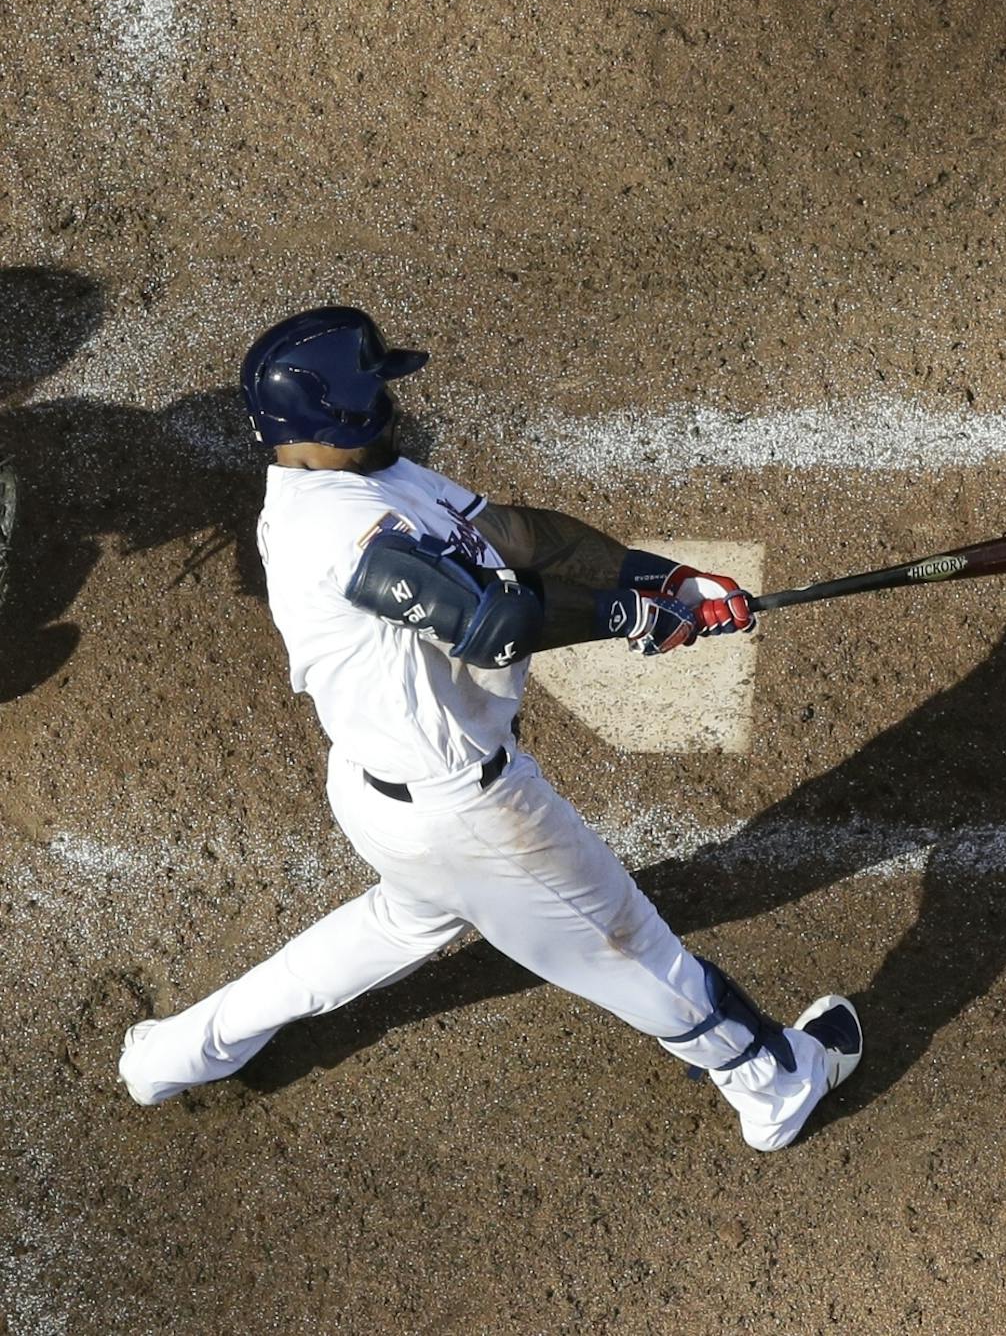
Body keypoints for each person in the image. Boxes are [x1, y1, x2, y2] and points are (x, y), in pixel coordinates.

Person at [116, 306, 861, 1151]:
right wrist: (627, 616)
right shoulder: (336, 527)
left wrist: (659, 578)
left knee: (396, 924)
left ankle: (179, 1051)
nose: (396, 407)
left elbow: (513, 533)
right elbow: (489, 624)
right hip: (470, 817)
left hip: (385, 800)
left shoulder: (371, 479)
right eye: (379, 394)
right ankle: (774, 1085)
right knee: (643, 959)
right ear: (340, 414)